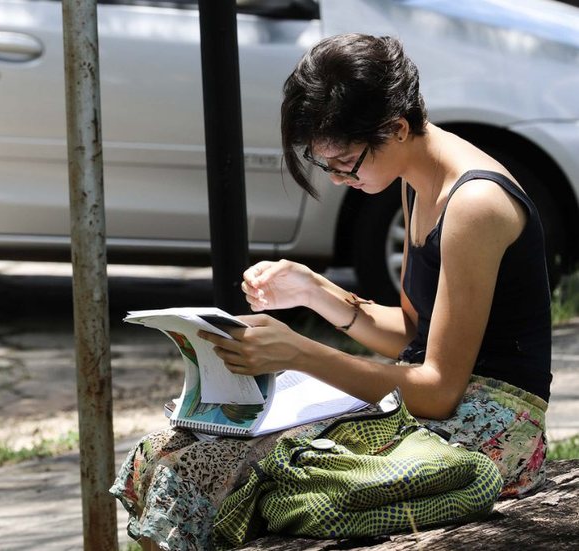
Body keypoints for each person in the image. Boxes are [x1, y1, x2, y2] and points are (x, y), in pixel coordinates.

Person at [111, 33, 551, 550]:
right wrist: (315, 290)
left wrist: (299, 351)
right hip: (434, 409)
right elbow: (413, 332)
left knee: (222, 475)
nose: (339, 178)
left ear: (396, 127)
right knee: (170, 451)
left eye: (346, 161)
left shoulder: (475, 203)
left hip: (489, 432)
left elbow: (438, 389)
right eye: (327, 165)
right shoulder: (416, 178)